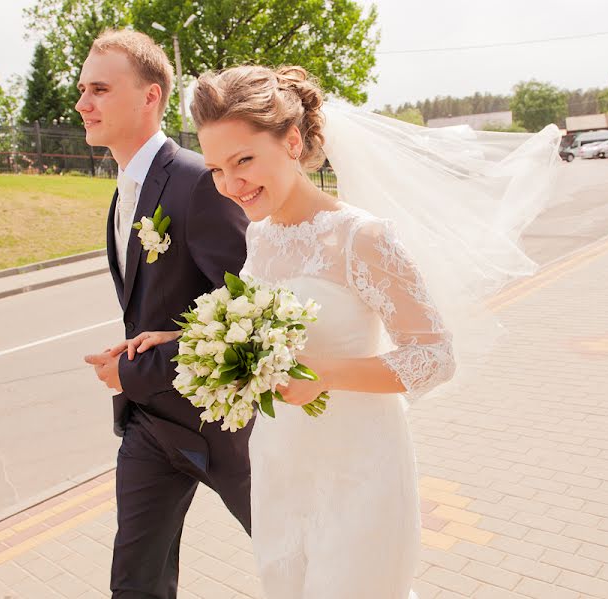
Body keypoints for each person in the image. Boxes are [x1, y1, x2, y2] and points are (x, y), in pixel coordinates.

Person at [128, 63, 561, 598]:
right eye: (216, 169)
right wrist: (190, 341)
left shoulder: (362, 237)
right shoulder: (259, 238)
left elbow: (434, 356)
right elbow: (265, 335)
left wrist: (321, 376)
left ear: (291, 142)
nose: (230, 184)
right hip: (281, 465)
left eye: (244, 160)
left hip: (359, 468)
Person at [76, 30, 252, 598]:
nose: (83, 103)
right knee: (135, 584)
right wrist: (131, 359)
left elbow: (251, 315)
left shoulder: (200, 182)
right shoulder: (124, 190)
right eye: (82, 89)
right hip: (150, 426)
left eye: (100, 89)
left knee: (296, 555)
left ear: (151, 97)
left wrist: (135, 369)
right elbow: (156, 306)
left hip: (225, 431)